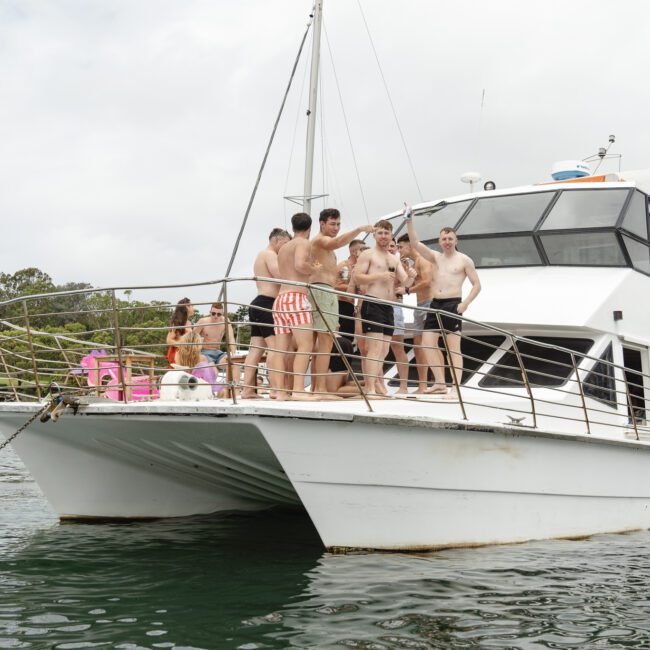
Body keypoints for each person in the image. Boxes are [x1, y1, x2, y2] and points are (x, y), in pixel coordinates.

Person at [405, 217, 482, 398]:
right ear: (440, 241)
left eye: (450, 239)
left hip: (452, 304)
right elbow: (415, 243)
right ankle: (440, 383)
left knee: (452, 349)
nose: (447, 242)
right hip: (435, 303)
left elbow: (477, 284)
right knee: (427, 344)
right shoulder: (435, 257)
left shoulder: (464, 260)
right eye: (444, 239)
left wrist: (465, 303)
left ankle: (456, 388)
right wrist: (409, 221)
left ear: (456, 241)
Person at [309, 209, 374, 396]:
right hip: (322, 291)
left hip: (326, 293)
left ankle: (316, 388)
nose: (336, 228)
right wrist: (359, 229)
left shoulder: (325, 246)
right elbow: (336, 242)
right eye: (332, 224)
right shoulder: (321, 240)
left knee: (323, 343)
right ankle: (320, 389)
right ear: (322, 224)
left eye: (338, 224)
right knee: (324, 342)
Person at [352, 220, 416, 396]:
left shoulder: (393, 258)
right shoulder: (368, 255)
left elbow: (405, 282)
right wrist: (379, 275)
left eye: (386, 233)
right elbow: (357, 277)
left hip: (388, 306)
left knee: (384, 350)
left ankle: (375, 386)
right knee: (374, 347)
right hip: (372, 302)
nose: (383, 236)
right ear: (374, 235)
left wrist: (411, 276)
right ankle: (370, 388)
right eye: (380, 233)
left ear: (391, 235)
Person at [267, 212, 319, 401]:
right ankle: (298, 390)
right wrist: (314, 269)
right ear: (309, 228)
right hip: (296, 298)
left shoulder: (284, 247)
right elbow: (300, 265)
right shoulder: (303, 243)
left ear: (293, 226)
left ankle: (281, 392)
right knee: (306, 345)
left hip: (280, 300)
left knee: (282, 350)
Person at [241, 228, 291, 399]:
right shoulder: (269, 254)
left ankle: (247, 389)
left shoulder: (262, 255)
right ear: (277, 241)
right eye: (285, 244)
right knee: (275, 348)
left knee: (256, 350)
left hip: (259, 303)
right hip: (267, 304)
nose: (286, 248)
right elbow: (280, 275)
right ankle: (276, 389)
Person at [397, 233, 438, 393]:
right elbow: (418, 281)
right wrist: (408, 273)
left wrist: (407, 290)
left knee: (429, 345)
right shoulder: (415, 263)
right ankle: (423, 385)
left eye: (401, 247)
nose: (399, 250)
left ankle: (436, 382)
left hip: (428, 304)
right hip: (420, 305)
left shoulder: (424, 260)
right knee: (418, 346)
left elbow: (427, 282)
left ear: (410, 246)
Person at [194, 302, 241, 391]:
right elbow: (192, 338)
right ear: (210, 312)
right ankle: (213, 392)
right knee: (213, 370)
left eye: (219, 314)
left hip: (218, 353)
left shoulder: (225, 321)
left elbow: (231, 338)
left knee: (234, 364)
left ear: (222, 314)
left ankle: (233, 392)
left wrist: (234, 354)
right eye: (213, 313)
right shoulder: (203, 321)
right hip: (205, 353)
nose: (216, 316)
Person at [388, 238, 410, 394]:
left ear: (396, 248)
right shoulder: (373, 259)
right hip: (376, 305)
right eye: (387, 245)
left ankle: (403, 386)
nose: (389, 247)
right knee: (377, 347)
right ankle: (377, 385)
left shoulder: (400, 264)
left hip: (394, 306)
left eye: (392, 245)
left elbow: (406, 284)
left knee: (397, 347)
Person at [334, 239, 365, 341]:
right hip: (342, 305)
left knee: (349, 338)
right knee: (343, 338)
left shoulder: (358, 267)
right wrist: (355, 290)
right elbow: (336, 285)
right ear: (354, 252)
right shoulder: (345, 266)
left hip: (350, 305)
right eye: (362, 250)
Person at [176, 330, 222, 395]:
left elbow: (179, 370)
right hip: (198, 386)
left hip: (183, 383)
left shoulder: (178, 355)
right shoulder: (202, 357)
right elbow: (215, 373)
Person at [166, 297, 194, 367]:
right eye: (192, 305)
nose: (193, 308)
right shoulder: (177, 322)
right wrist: (181, 345)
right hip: (178, 353)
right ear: (187, 307)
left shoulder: (189, 323)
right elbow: (169, 340)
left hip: (187, 353)